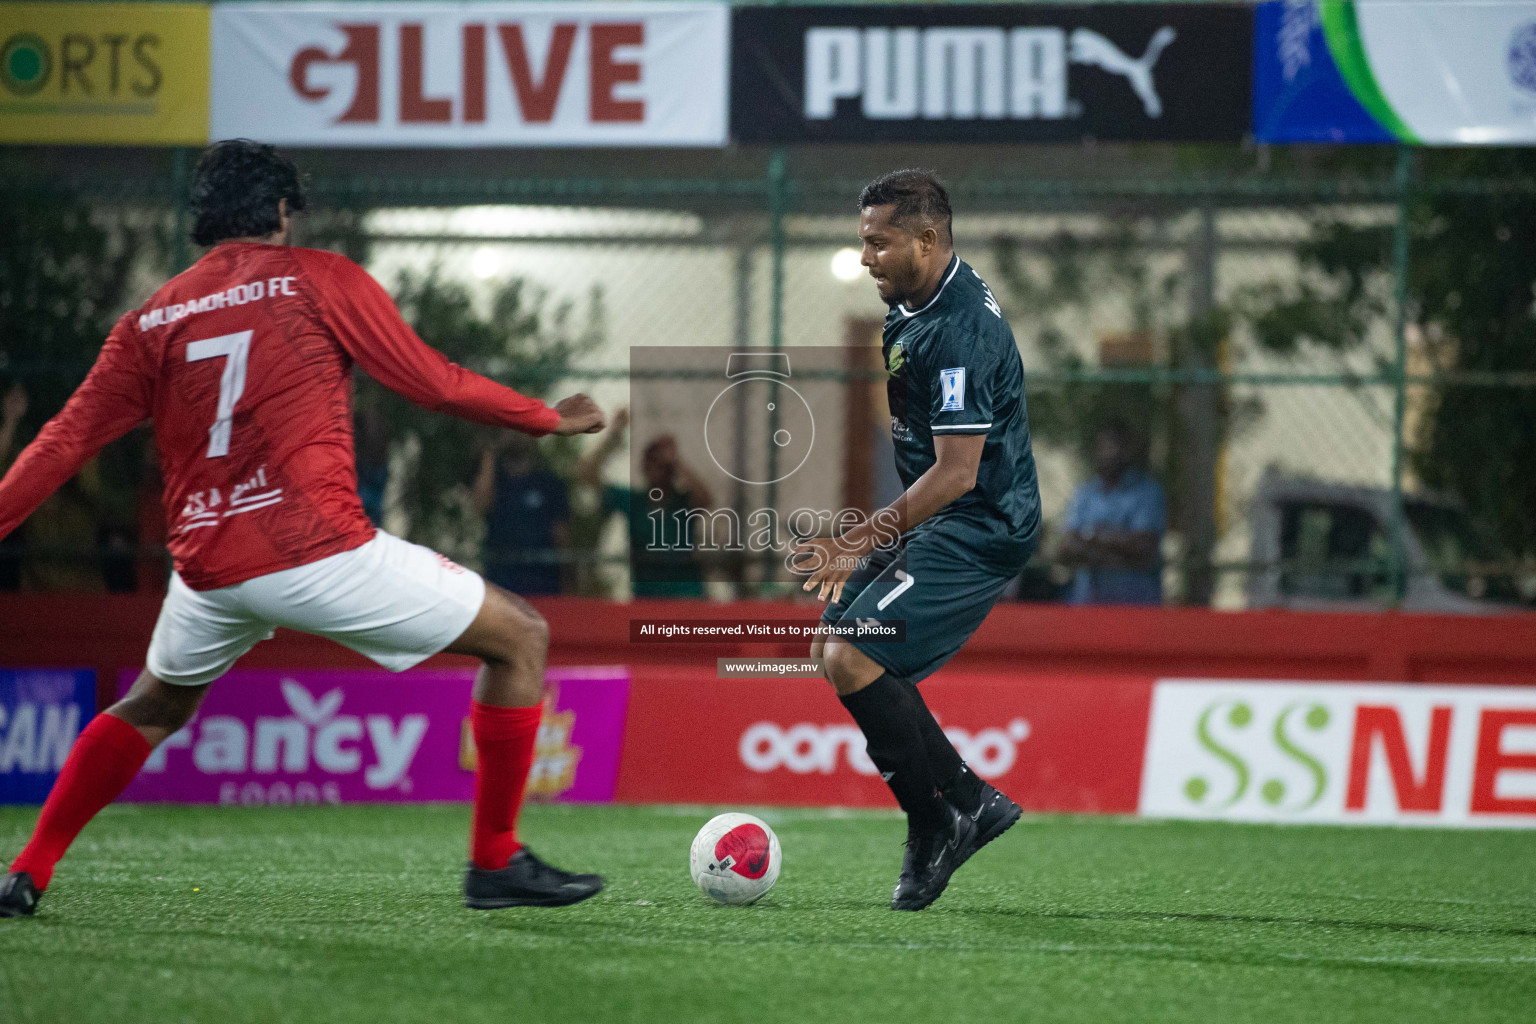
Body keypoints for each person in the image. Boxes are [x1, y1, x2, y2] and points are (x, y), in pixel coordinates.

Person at [0, 139, 608, 919]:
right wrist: (545, 419)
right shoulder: (318, 280)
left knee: (153, 705)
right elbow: (431, 381)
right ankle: (494, 862)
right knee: (520, 635)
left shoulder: (148, 322)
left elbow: (61, 443)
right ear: (283, 210)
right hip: (313, 549)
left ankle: (27, 869)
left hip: (209, 569)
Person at [794, 170, 1040, 911]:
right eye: (864, 239)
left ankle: (939, 818)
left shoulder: (957, 327)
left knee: (851, 651)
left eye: (878, 241)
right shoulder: (915, 303)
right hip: (945, 520)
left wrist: (862, 538)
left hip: (978, 527)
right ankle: (965, 802)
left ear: (926, 239)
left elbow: (959, 472)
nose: (865, 255)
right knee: (833, 651)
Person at [575, 407, 713, 599]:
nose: (657, 469)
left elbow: (706, 499)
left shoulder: (682, 502)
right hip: (647, 594)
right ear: (644, 467)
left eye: (662, 465)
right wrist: (613, 435)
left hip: (686, 593)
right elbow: (586, 475)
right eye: (652, 463)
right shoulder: (634, 501)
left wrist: (677, 461)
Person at [1057, 419, 1166, 606]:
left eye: (1114, 447)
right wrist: (1116, 546)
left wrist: (1091, 540)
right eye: (1103, 447)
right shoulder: (1085, 493)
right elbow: (1067, 547)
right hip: (1087, 604)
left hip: (1135, 605)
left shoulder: (1147, 491)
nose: (1108, 454)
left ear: (1128, 451)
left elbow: (1144, 548)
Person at [472, 433, 570, 596]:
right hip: (500, 582)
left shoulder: (549, 483)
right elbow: (480, 505)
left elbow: (561, 537)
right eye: (510, 429)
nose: (516, 435)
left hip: (544, 584)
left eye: (522, 429)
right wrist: (488, 456)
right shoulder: (494, 480)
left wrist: (568, 582)